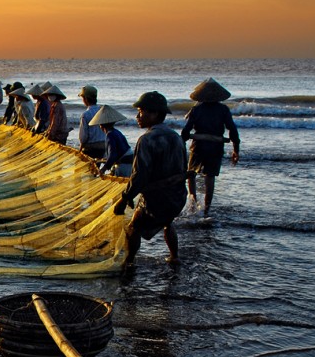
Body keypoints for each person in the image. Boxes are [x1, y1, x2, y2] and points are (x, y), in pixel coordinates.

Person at [114, 91, 188, 269]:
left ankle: (129, 262)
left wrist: (125, 198)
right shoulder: (176, 137)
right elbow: (183, 168)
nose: (138, 116)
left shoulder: (146, 140)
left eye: (141, 111)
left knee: (133, 227)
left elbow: (139, 175)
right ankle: (174, 257)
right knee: (167, 222)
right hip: (177, 197)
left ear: (154, 114)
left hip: (157, 198)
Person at [181, 77, 240, 217]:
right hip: (215, 147)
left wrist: (181, 146)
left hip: (198, 145)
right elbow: (232, 129)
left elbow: (185, 131)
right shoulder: (223, 110)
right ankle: (206, 209)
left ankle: (193, 201)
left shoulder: (196, 109)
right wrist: (236, 149)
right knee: (210, 177)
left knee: (191, 174)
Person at [89, 105, 133, 177]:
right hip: (129, 163)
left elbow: (113, 155)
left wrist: (103, 169)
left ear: (101, 125)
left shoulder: (110, 135)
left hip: (123, 165)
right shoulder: (117, 132)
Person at [77, 85, 106, 159]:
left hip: (90, 148)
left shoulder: (86, 115)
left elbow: (83, 137)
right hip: (103, 146)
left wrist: (80, 148)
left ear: (85, 99)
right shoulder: (102, 111)